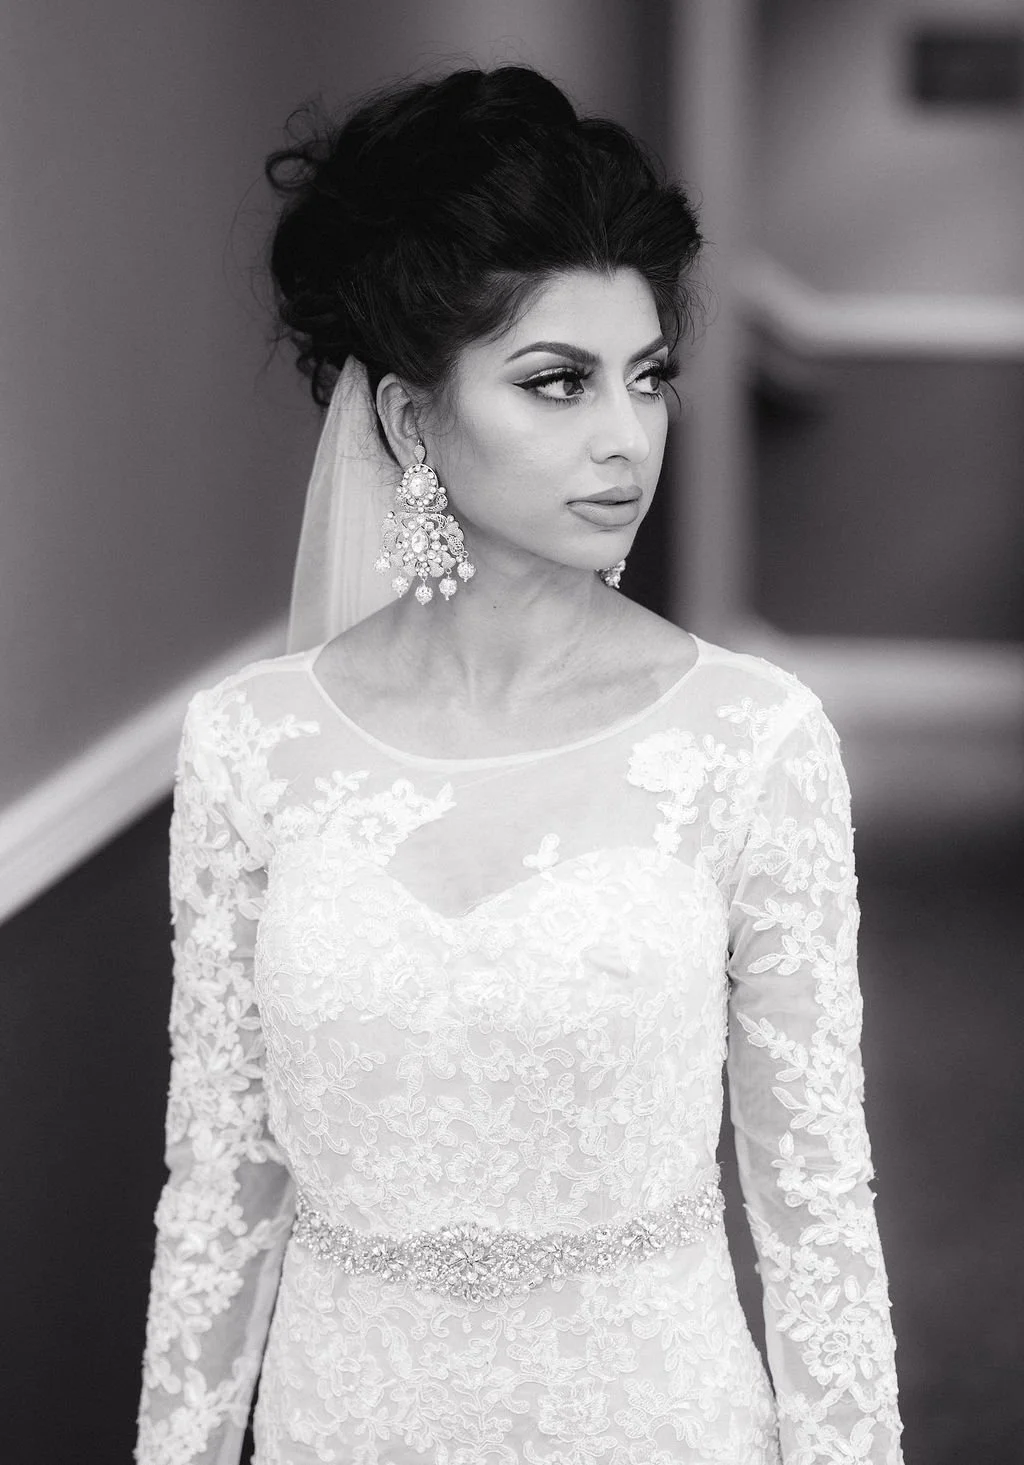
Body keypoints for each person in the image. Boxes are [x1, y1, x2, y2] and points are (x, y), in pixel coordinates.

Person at [134, 65, 903, 1465]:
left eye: (649, 375)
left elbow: (816, 1204)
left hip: (655, 1419)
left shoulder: (751, 741)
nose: (626, 436)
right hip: (343, 1420)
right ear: (409, 418)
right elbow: (221, 1192)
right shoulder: (252, 747)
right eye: (557, 382)